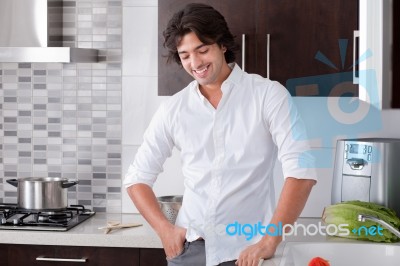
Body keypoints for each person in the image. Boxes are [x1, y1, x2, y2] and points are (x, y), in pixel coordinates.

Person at [124, 3, 317, 266]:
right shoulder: (174, 108)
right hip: (188, 252)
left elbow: (302, 173)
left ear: (222, 45)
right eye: (185, 55)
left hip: (247, 253)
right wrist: (164, 230)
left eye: (202, 50)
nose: (195, 63)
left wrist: (269, 241)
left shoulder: (268, 95)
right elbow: (137, 178)